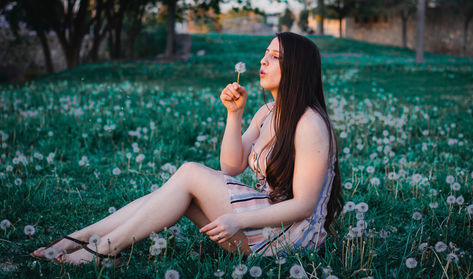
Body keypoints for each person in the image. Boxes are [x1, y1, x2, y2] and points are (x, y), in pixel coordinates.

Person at [30, 31, 344, 265]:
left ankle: (99, 250)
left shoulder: (310, 124)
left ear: (297, 69)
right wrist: (233, 115)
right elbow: (231, 166)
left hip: (288, 237)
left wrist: (238, 221)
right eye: (265, 53)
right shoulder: (267, 113)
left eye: (275, 57)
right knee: (176, 189)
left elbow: (304, 206)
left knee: (189, 174)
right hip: (263, 218)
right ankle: (85, 238)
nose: (263, 60)